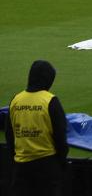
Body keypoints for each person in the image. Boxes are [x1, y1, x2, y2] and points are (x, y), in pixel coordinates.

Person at [5, 60, 68, 195]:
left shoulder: (16, 100)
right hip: (47, 165)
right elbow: (60, 135)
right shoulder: (50, 101)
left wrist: (15, 160)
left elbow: (10, 136)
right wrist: (60, 162)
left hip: (21, 167)